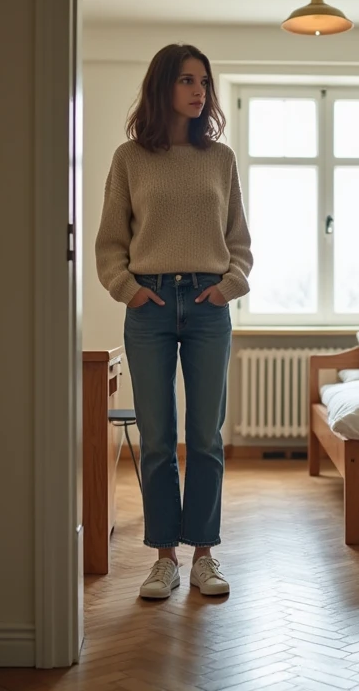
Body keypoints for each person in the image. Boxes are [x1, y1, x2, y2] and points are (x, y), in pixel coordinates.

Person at [95, 43, 253, 599]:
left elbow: (239, 243)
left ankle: (204, 555)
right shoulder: (129, 159)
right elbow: (110, 243)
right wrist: (129, 291)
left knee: (206, 437)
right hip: (152, 307)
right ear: (163, 87)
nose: (198, 91)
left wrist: (228, 286)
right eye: (187, 80)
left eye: (204, 82)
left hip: (209, 307)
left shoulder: (221, 159)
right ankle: (165, 558)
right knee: (159, 438)